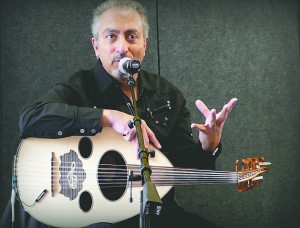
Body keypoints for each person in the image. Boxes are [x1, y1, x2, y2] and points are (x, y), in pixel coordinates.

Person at [1, 0, 237, 227]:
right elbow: (30, 118)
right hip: (93, 218)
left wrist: (208, 146)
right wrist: (108, 117)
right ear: (96, 46)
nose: (123, 48)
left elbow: (179, 168)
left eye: (132, 36)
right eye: (111, 36)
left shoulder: (167, 94)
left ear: (145, 44)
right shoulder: (80, 87)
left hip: (155, 214)